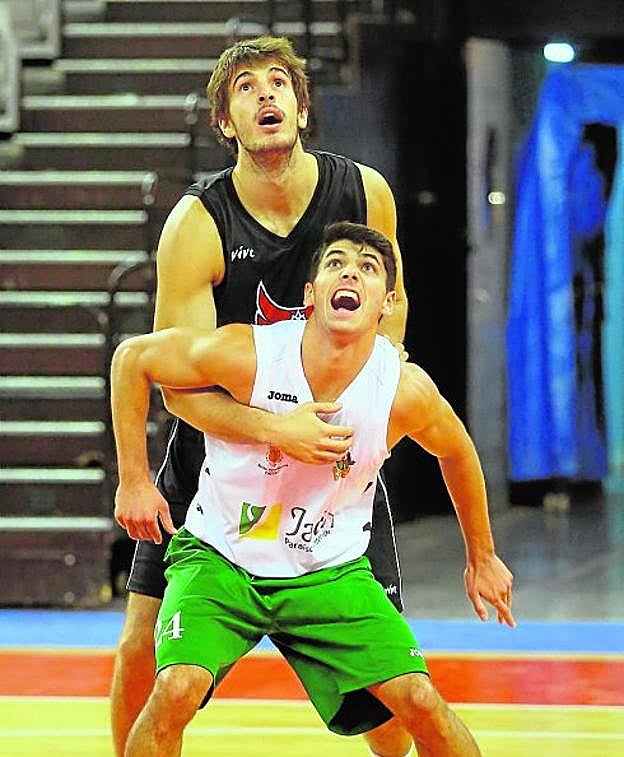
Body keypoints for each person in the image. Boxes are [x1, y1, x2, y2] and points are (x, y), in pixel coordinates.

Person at [110, 34, 416, 757]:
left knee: (391, 706)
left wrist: (366, 399)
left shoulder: (364, 192)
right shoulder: (198, 223)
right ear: (226, 122)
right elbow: (178, 390)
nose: (265, 95)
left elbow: (394, 309)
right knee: (140, 646)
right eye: (244, 88)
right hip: (217, 465)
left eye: (278, 82)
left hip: (328, 470)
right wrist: (277, 428)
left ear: (302, 109)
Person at [111, 221, 515, 757]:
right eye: (335, 263)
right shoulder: (252, 354)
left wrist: (482, 556)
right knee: (175, 687)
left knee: (416, 704)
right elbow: (133, 359)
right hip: (222, 560)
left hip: (329, 570)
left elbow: (457, 451)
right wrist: (135, 480)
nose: (350, 273)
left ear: (387, 304)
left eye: (367, 268)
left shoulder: (401, 390)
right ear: (310, 294)